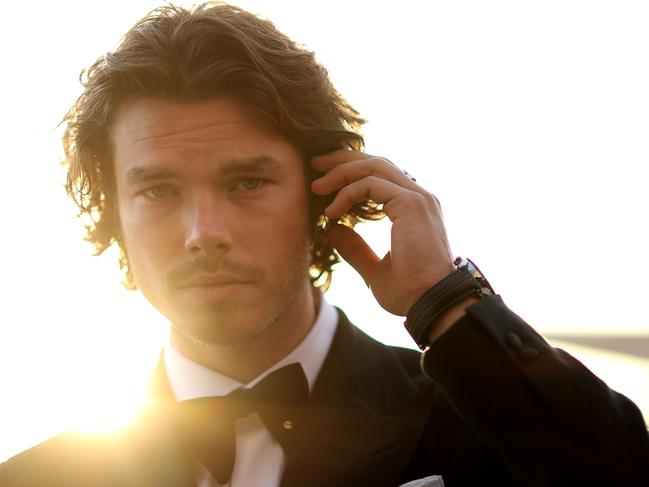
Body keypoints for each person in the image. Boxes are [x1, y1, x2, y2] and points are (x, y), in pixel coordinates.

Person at [1, 3, 647, 486]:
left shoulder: (473, 426)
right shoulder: (37, 477)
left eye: (247, 181)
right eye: (158, 191)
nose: (204, 233)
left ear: (322, 193)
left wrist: (446, 304)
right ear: (114, 212)